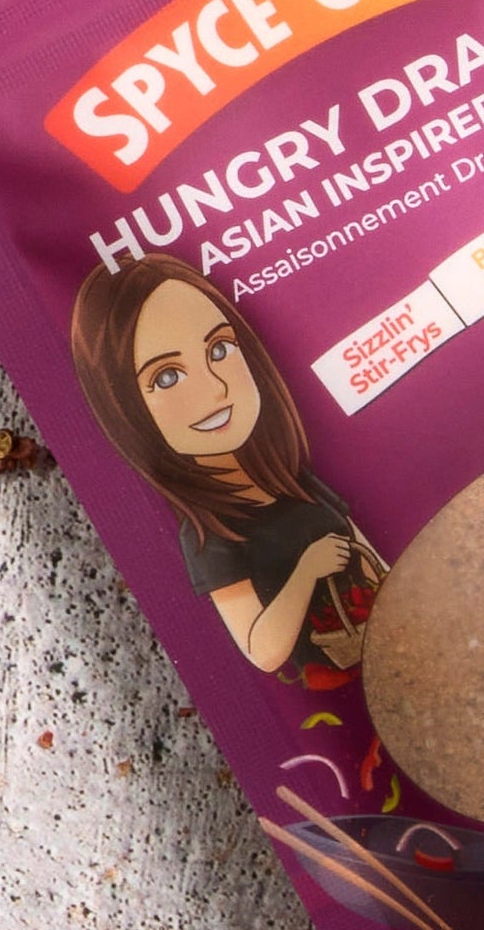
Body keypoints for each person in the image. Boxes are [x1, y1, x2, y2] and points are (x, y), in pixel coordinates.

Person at [69, 252, 381, 677]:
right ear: (125, 408)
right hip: (331, 684)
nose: (215, 387)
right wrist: (306, 570)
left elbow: (376, 564)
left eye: (219, 349)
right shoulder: (208, 534)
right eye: (167, 376)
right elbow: (263, 653)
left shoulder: (295, 482)